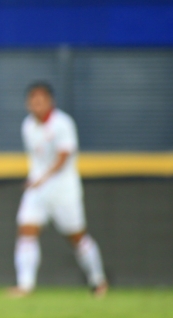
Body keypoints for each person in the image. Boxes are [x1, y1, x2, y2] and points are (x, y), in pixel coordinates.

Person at [9, 82, 108, 298]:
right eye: (33, 100)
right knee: (26, 231)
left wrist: (43, 179)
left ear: (50, 102)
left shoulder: (63, 124)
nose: (36, 104)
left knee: (77, 236)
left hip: (64, 190)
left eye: (41, 100)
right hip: (37, 190)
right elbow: (37, 159)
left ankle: (98, 280)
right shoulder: (28, 125)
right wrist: (36, 181)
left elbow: (64, 157)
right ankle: (25, 285)